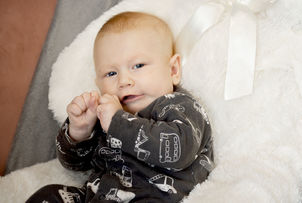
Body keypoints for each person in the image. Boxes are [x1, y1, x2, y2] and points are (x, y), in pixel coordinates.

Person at [27, 12, 214, 203]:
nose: (124, 81)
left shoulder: (180, 106)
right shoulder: (105, 112)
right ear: (98, 83)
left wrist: (118, 122)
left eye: (138, 65)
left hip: (154, 197)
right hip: (98, 196)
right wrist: (79, 132)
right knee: (48, 195)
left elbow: (178, 152)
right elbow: (75, 165)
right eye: (111, 73)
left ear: (173, 70)